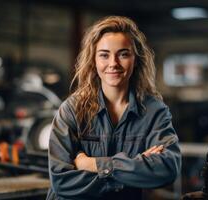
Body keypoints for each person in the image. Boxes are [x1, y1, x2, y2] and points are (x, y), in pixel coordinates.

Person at [47, 16, 181, 200]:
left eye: (123, 54)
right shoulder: (71, 110)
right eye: (104, 54)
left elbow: (167, 168)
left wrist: (92, 164)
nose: (113, 63)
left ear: (136, 59)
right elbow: (62, 181)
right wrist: (132, 172)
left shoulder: (154, 112)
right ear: (93, 60)